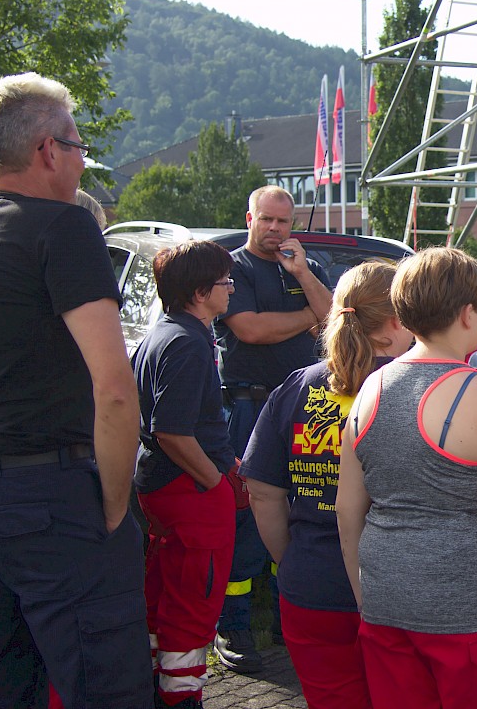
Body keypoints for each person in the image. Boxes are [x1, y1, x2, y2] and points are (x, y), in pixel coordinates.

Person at [0, 72, 150, 708]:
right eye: (80, 145)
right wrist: (114, 510)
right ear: (48, 151)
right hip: (47, 496)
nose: (84, 160)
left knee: (0, 683)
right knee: (108, 687)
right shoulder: (63, 228)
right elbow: (115, 389)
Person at [336, 247, 477, 709]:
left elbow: (348, 510)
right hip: (468, 613)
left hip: (386, 603)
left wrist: (365, 597)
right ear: (469, 314)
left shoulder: (370, 386)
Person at [242, 262, 413, 709]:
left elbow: (261, 489)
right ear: (398, 319)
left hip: (313, 582)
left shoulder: (299, 386)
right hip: (402, 584)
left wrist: (292, 556)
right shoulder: (418, 388)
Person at [212, 185, 333, 671]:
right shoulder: (231, 269)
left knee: (301, 508)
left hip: (304, 409)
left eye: (283, 222)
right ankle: (234, 625)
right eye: (267, 220)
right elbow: (250, 330)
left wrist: (302, 273)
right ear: (249, 218)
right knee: (244, 517)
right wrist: (307, 315)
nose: (275, 230)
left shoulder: (305, 267)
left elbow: (333, 320)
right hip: (247, 407)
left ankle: (290, 615)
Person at [132, 240, 239, 709]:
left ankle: (160, 684)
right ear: (200, 291)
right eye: (224, 281)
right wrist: (216, 481)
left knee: (164, 593)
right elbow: (172, 431)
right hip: (189, 490)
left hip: (165, 486)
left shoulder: (164, 333)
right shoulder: (186, 342)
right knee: (195, 597)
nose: (232, 288)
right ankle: (182, 696)